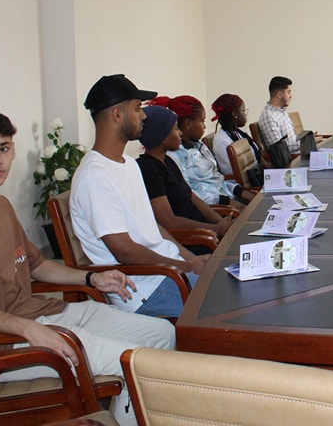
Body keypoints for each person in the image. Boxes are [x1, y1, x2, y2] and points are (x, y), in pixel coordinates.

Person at [0, 109, 174, 426]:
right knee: (136, 363)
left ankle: (125, 413)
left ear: (13, 151)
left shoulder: (0, 205)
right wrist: (29, 329)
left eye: (3, 148)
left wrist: (92, 277)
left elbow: (37, 265)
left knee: (162, 334)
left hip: (40, 314)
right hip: (1, 344)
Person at [70, 74, 207, 318]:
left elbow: (151, 227)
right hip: (145, 290)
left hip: (169, 272)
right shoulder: (94, 176)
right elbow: (125, 252)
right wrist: (185, 266)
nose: (143, 115)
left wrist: (190, 259)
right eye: (137, 108)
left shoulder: (129, 164)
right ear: (117, 114)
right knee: (235, 302)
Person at [135, 106, 234, 249]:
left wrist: (220, 223)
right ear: (163, 137)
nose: (180, 133)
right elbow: (169, 221)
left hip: (206, 230)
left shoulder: (167, 161)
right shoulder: (149, 169)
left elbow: (193, 197)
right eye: (176, 129)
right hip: (194, 238)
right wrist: (215, 229)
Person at [153, 95, 251, 206]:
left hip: (228, 196)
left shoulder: (198, 145)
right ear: (188, 124)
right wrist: (231, 203)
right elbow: (191, 195)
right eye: (202, 121)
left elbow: (216, 179)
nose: (204, 127)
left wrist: (240, 191)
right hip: (217, 208)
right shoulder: (175, 156)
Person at [210, 93, 264, 179]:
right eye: (243, 111)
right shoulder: (222, 141)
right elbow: (238, 173)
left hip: (257, 175)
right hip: (244, 183)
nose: (246, 114)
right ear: (235, 114)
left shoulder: (237, 132)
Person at [258, 75, 300, 154]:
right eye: (288, 92)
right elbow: (280, 149)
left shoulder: (281, 112)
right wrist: (305, 143)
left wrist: (308, 139)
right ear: (280, 95)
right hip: (293, 159)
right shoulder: (269, 117)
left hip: (299, 154)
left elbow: (292, 140)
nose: (291, 96)